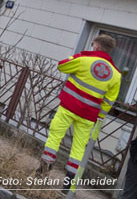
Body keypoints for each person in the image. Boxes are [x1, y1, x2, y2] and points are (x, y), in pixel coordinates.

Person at [38, 35, 121, 192]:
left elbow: (62, 66)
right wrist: (100, 117)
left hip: (68, 107)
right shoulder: (116, 75)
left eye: (92, 44)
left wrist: (78, 56)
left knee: (54, 137)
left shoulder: (83, 59)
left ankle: (42, 172)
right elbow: (109, 101)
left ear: (96, 46)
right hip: (88, 116)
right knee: (78, 148)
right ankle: (68, 185)